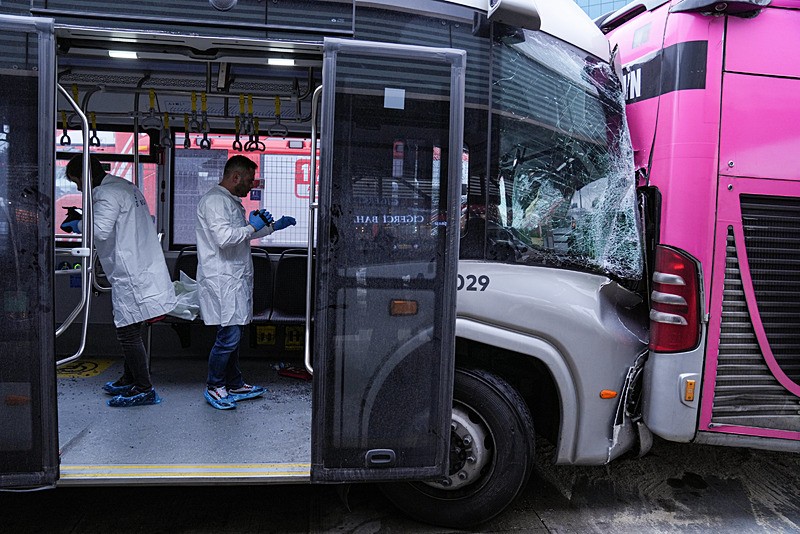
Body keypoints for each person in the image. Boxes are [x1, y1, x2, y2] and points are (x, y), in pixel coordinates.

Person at [62, 154, 177, 407]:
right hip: (142, 266)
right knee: (133, 328)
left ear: (86, 175)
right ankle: (129, 379)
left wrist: (78, 224)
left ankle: (145, 388)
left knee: (127, 333)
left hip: (131, 274)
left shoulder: (105, 194)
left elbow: (100, 231)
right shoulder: (126, 187)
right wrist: (85, 217)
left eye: (77, 183)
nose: (79, 189)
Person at [196, 155, 296, 410]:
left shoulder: (229, 201)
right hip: (222, 279)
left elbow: (241, 235)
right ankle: (215, 385)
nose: (252, 185)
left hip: (232, 278)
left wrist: (270, 228)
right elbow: (225, 238)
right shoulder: (215, 201)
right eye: (249, 180)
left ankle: (234, 382)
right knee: (227, 337)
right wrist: (252, 227)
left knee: (233, 334)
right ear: (235, 177)